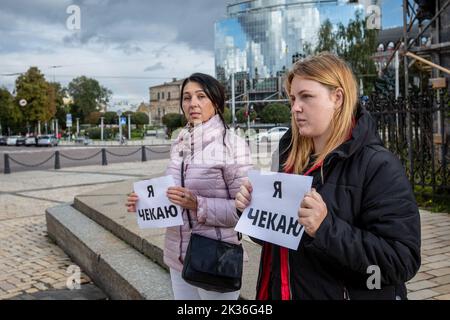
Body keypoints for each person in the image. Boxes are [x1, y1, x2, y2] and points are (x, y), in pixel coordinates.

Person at [235, 52, 421, 300]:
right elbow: (284, 244)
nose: (295, 107)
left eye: (306, 96)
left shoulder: (378, 165)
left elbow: (400, 262)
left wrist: (326, 229)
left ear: (337, 98)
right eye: (292, 98)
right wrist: (252, 212)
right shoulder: (290, 158)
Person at [126, 73, 252, 300]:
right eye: (187, 97)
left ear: (216, 102)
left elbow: (244, 211)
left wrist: (198, 204)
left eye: (201, 96)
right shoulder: (180, 141)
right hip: (178, 256)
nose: (192, 103)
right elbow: (172, 194)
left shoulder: (232, 144)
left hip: (215, 256)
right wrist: (144, 201)